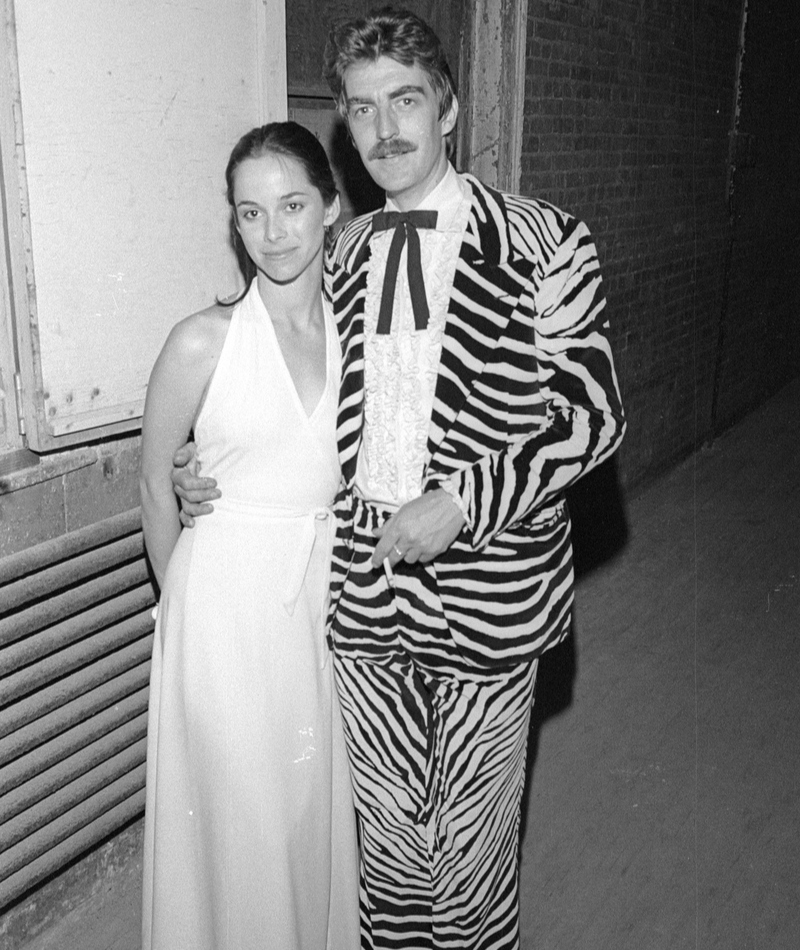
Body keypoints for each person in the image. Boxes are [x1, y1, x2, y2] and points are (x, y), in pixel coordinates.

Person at [175, 8, 626, 949]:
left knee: (467, 868)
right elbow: (271, 371)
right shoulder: (339, 255)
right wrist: (202, 461)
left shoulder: (547, 242)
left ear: (449, 108)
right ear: (344, 122)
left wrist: (461, 505)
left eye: (407, 101)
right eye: (365, 109)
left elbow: (592, 418)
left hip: (490, 597)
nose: (386, 130)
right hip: (366, 603)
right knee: (384, 867)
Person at [139, 121, 360, 950]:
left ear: (331, 206)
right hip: (223, 614)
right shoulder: (203, 340)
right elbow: (154, 484)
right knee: (245, 828)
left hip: (326, 607)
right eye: (251, 213)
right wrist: (180, 619)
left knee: (308, 814)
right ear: (234, 224)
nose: (274, 233)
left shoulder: (363, 342)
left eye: (293, 205)